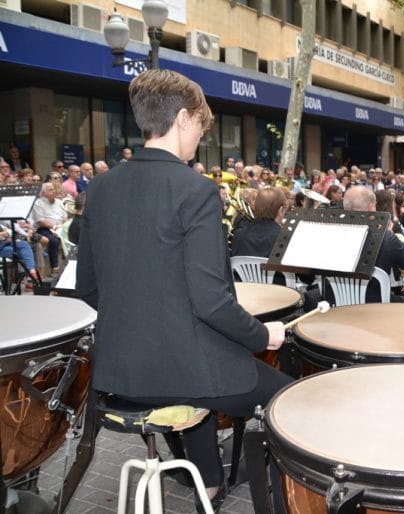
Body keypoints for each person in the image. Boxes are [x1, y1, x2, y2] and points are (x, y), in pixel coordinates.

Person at [76, 69, 290, 511]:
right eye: (201, 127)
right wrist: (261, 335)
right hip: (177, 374)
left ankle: (208, 483)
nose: (200, 137)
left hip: (117, 375)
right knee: (289, 396)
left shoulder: (99, 188)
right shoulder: (196, 191)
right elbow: (211, 301)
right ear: (183, 119)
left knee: (200, 370)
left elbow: (89, 289)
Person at [31, 182, 67, 273]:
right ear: (43, 193)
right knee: (54, 241)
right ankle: (54, 267)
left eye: (53, 189)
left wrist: (63, 225)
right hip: (45, 228)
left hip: (61, 227)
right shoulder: (38, 203)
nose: (54, 191)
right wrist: (54, 227)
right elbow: (40, 221)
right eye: (50, 190)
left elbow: (65, 217)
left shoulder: (59, 202)